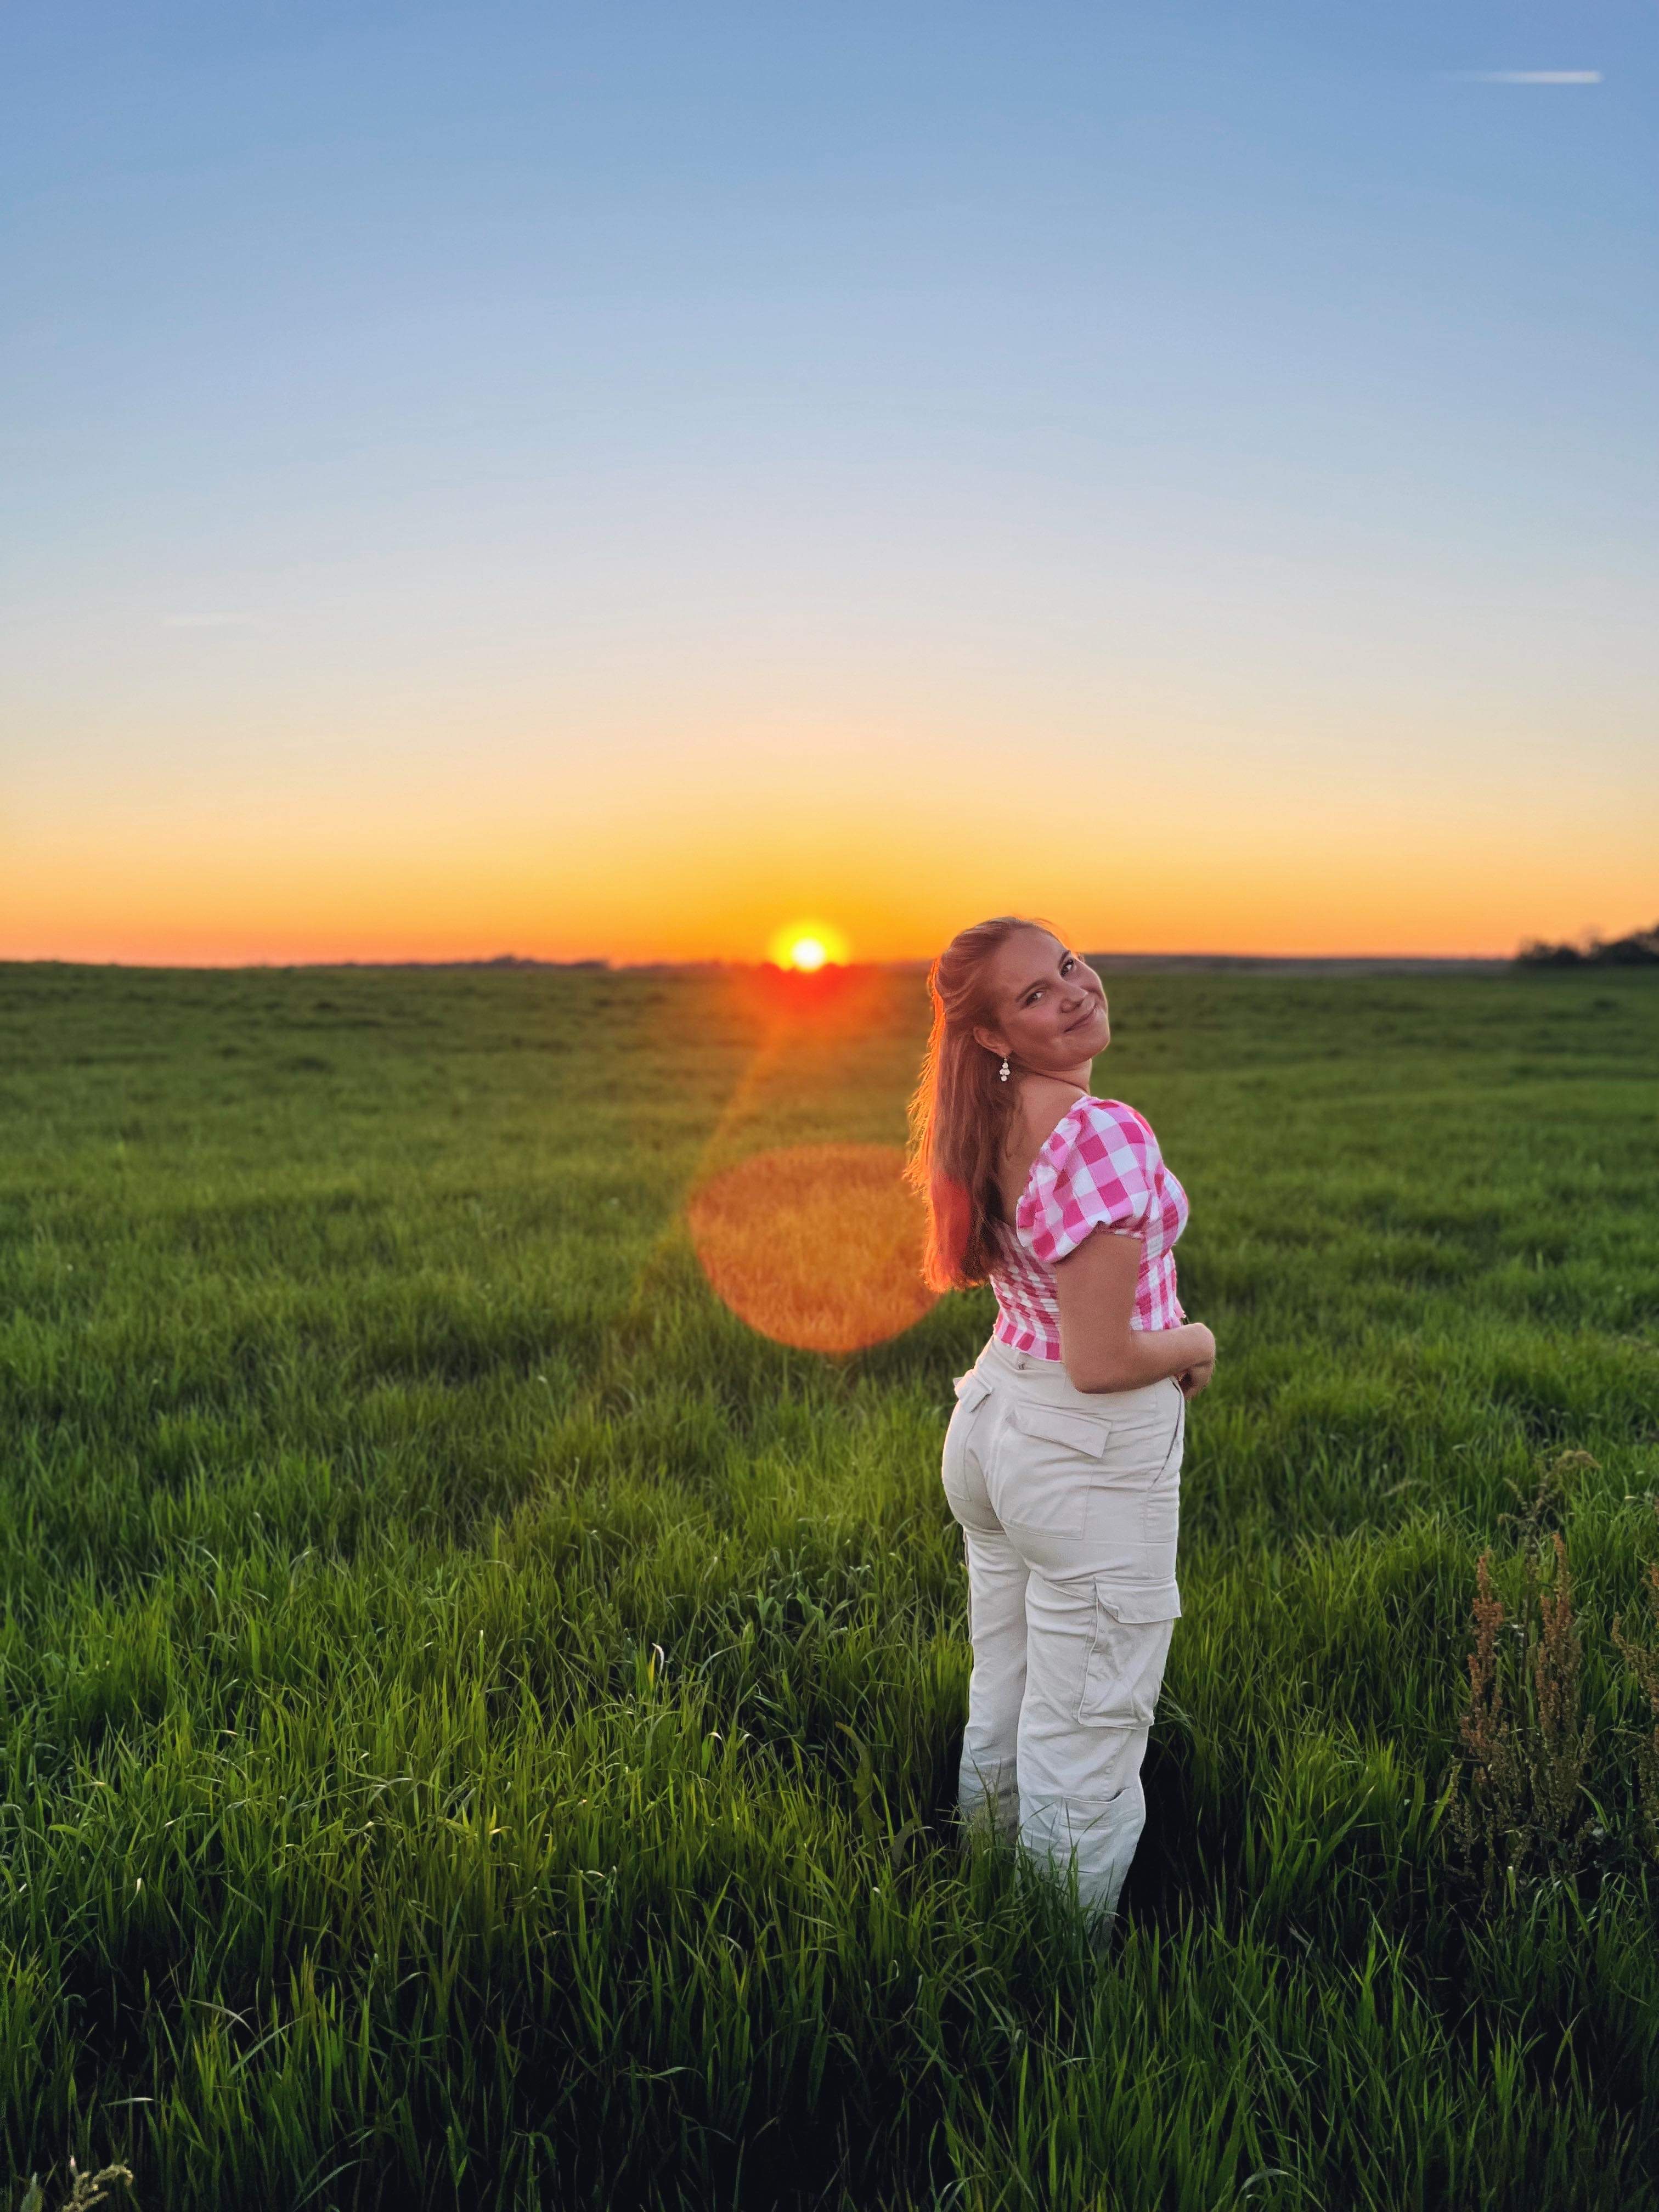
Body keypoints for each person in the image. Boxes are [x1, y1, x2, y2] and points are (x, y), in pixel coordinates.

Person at [906, 916, 1215, 1927]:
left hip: (996, 1422)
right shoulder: (1100, 1132)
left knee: (1010, 1687)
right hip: (1080, 1457)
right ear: (994, 1037)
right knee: (1086, 1728)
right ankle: (1054, 1974)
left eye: (1069, 965)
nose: (1075, 991)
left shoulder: (983, 1117)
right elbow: (1104, 1360)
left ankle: (988, 1892)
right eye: (1035, 995)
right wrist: (1197, 1342)